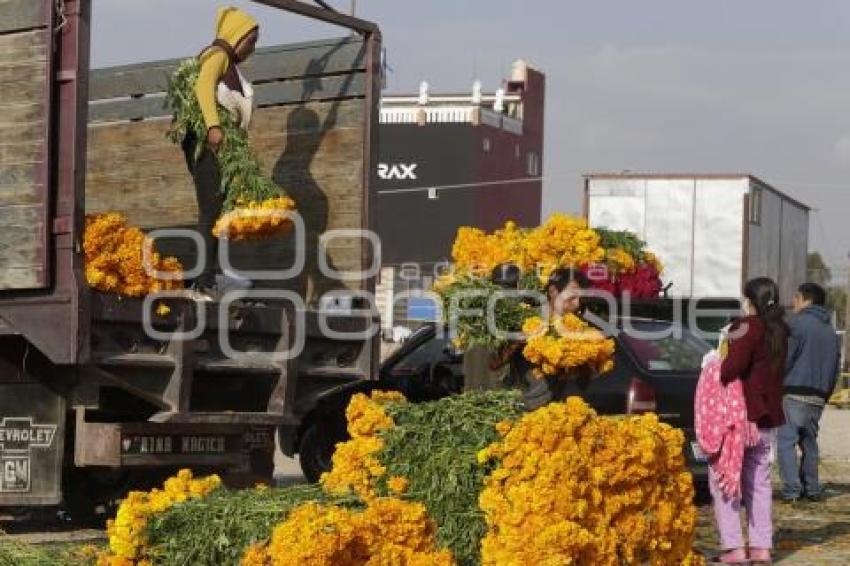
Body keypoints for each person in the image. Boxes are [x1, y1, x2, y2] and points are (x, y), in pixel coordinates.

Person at [183, 6, 260, 299]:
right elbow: (204, 87)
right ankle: (204, 282)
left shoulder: (229, 66)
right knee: (211, 209)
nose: (252, 49)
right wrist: (214, 127)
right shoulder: (216, 56)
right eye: (250, 41)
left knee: (216, 209)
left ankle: (210, 276)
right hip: (205, 142)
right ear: (236, 36)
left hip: (216, 145)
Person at [712, 277, 788, 565]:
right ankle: (761, 548)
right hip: (769, 417)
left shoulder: (746, 329)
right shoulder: (780, 330)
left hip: (742, 417)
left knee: (724, 480)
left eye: (745, 299)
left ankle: (733, 549)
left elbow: (731, 368)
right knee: (760, 483)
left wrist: (715, 363)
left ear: (751, 301)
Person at [492, 267, 590, 410]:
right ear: (553, 291)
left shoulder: (578, 328)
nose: (577, 303)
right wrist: (517, 341)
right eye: (572, 296)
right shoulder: (526, 319)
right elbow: (493, 363)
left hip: (553, 411)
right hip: (519, 408)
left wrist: (585, 363)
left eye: (580, 298)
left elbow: (583, 385)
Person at [777, 283, 841, 503]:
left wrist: (776, 381)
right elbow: (835, 368)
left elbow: (786, 358)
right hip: (818, 395)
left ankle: (792, 490)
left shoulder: (797, 324)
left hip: (795, 390)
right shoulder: (830, 332)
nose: (793, 303)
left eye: (795, 298)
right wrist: (826, 394)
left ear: (805, 299)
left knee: (786, 441)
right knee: (809, 442)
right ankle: (812, 488)